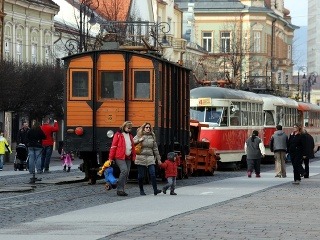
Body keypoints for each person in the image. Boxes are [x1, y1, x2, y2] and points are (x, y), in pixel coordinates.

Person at [133, 122, 162, 196]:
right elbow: (132, 143)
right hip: (140, 157)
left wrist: (158, 159)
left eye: (149, 127)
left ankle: (155, 190)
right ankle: (141, 190)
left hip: (150, 157)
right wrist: (139, 140)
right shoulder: (139, 135)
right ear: (143, 128)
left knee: (152, 173)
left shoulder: (152, 136)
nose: (148, 129)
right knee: (141, 175)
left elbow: (155, 149)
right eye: (146, 127)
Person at [108, 121, 136, 196]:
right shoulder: (118, 135)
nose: (129, 129)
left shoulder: (130, 135)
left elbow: (132, 147)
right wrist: (110, 158)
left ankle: (121, 188)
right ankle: (119, 189)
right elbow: (113, 146)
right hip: (119, 156)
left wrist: (134, 156)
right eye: (128, 128)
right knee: (124, 170)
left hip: (128, 156)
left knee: (127, 173)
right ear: (124, 127)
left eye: (130, 128)